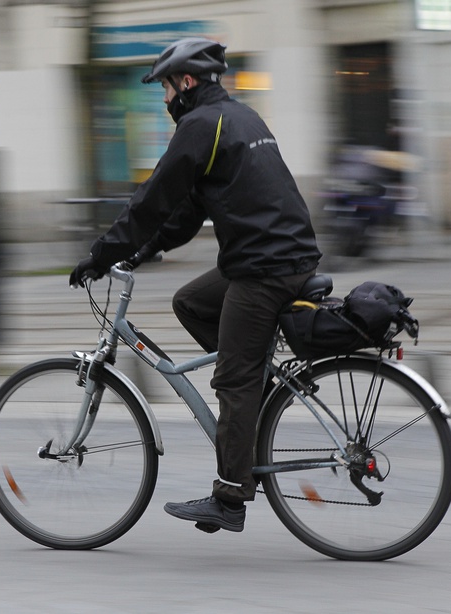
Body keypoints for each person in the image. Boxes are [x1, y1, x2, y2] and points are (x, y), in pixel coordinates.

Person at [69, 38, 322, 533]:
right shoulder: (239, 116)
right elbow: (186, 212)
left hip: (264, 268)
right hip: (280, 255)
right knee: (190, 301)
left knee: (231, 379)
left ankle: (229, 499)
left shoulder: (200, 125)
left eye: (165, 87)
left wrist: (101, 255)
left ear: (186, 83)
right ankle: (254, 375)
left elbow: (151, 200)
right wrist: (142, 251)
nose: (164, 99)